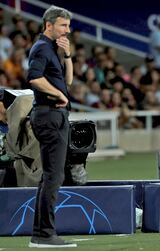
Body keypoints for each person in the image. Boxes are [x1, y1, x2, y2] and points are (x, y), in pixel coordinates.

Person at [27, 6, 76, 248]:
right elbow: (34, 78)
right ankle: (45, 234)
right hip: (49, 116)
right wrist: (58, 95)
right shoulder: (41, 48)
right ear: (49, 25)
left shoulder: (51, 49)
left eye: (68, 26)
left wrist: (67, 56)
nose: (68, 30)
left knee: (50, 177)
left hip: (54, 115)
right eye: (63, 26)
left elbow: (68, 82)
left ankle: (41, 233)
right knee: (54, 177)